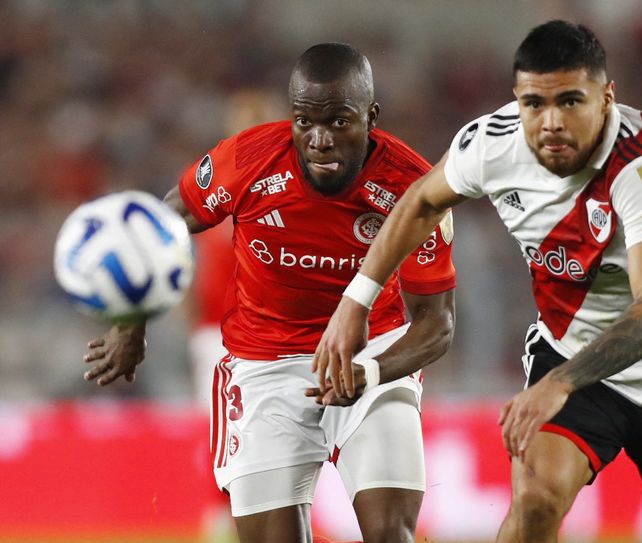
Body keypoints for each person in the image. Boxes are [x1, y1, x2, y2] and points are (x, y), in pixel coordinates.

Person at [315, 21, 642, 543]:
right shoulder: (491, 145)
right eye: (534, 103)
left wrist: (558, 385)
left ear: (607, 98)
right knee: (535, 503)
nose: (551, 122)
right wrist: (357, 299)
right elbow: (423, 201)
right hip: (569, 352)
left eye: (570, 101)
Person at [82, 43, 457, 543]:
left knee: (393, 535)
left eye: (339, 123)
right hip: (264, 367)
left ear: (371, 117)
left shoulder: (412, 186)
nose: (319, 140)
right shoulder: (248, 159)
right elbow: (159, 224)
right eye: (305, 122)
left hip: (374, 357)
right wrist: (130, 324)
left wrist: (368, 372)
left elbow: (437, 322)